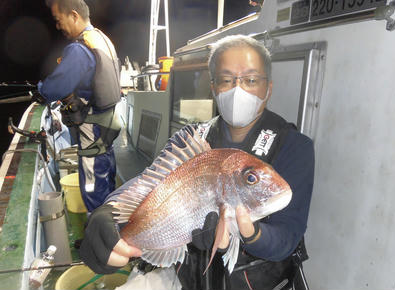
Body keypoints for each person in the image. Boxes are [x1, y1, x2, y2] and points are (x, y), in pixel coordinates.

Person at [79, 35, 314, 290]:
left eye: (251, 79)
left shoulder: (295, 146)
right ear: (213, 88)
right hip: (185, 277)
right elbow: (152, 182)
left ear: (268, 88)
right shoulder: (190, 138)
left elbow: (288, 237)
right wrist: (110, 212)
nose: (239, 89)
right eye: (227, 80)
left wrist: (252, 234)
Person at [37, 0, 121, 212]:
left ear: (74, 15)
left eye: (58, 20)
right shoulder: (102, 39)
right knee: (107, 185)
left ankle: (101, 240)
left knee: (93, 191)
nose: (58, 26)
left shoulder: (79, 49)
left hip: (92, 134)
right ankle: (106, 231)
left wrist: (40, 89)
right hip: (107, 130)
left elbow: (53, 88)